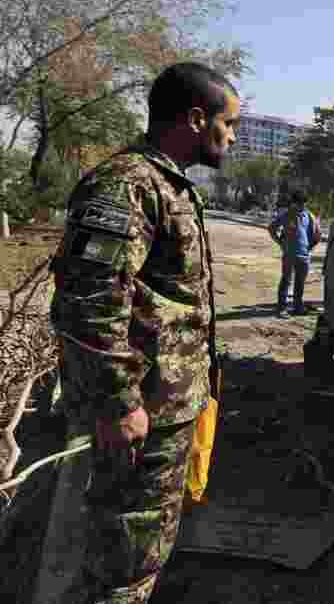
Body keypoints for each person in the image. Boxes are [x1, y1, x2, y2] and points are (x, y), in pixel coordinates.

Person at [50, 61, 238, 603]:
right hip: (140, 417)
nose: (233, 135)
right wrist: (117, 401)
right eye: (231, 123)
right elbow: (88, 302)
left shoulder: (168, 185)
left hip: (167, 409)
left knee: (143, 551)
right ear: (197, 119)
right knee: (122, 566)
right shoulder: (128, 184)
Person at [269, 190, 321, 317]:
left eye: (303, 204)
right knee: (286, 281)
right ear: (293, 203)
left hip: (304, 256)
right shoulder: (286, 215)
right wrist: (280, 243)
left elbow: (316, 235)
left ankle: (298, 307)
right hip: (289, 255)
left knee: (300, 283)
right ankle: (281, 308)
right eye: (298, 204)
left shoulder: (309, 216)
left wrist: (309, 247)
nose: (301, 206)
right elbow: (272, 228)